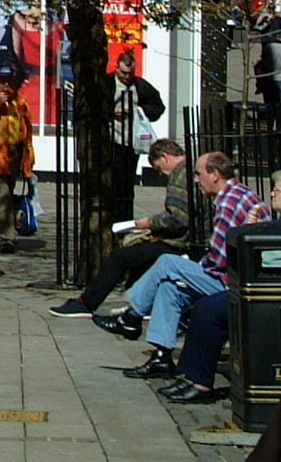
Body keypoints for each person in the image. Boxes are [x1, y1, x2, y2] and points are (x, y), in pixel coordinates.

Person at [107, 151, 271, 379]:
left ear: (214, 175)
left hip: (234, 283)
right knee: (169, 287)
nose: (195, 180)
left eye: (198, 174)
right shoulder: (239, 193)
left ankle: (131, 316)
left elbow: (220, 260)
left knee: (167, 263)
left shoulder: (227, 203)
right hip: (236, 275)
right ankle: (161, 357)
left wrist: (193, 267)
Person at [49, 139, 191, 317]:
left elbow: (177, 219)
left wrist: (149, 223)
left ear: (165, 156)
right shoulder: (190, 170)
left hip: (178, 242)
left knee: (119, 257)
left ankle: (87, 303)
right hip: (183, 239)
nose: (161, 173)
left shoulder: (180, 176)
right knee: (138, 256)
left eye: (158, 168)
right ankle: (143, 303)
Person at [0, 68, 33, 253]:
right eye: (3, 81)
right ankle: (8, 238)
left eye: (9, 80)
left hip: (14, 153)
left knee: (5, 196)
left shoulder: (20, 101)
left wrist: (29, 157)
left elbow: (26, 132)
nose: (7, 85)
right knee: (3, 195)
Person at [112, 50, 165, 198]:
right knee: (113, 182)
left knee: (127, 184)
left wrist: (139, 111)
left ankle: (125, 215)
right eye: (123, 73)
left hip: (132, 142)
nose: (127, 77)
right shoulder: (108, 83)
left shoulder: (140, 85)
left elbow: (158, 107)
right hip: (112, 140)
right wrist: (112, 112)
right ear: (116, 68)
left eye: (130, 73)